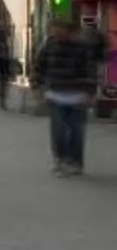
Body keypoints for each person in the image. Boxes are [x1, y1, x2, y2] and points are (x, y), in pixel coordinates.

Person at [33, 12, 95, 177]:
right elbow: (40, 66)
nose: (56, 32)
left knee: (76, 132)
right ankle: (60, 160)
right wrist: (37, 85)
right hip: (56, 95)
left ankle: (75, 162)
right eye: (54, 29)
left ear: (68, 30)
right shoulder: (49, 46)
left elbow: (90, 70)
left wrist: (89, 92)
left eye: (59, 29)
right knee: (59, 131)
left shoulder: (82, 47)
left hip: (77, 95)